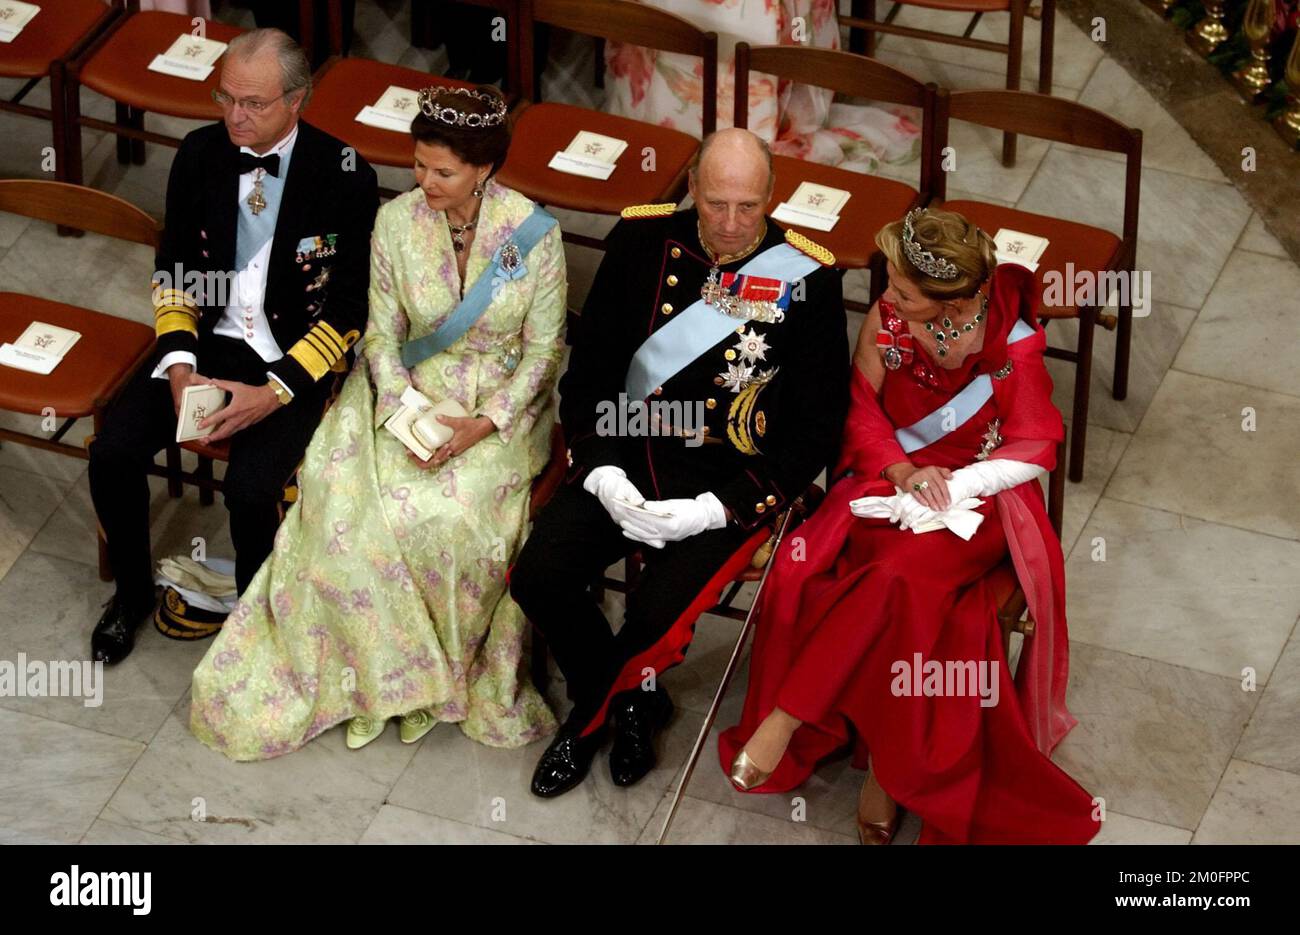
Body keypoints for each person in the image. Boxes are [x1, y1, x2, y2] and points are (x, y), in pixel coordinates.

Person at [190, 85, 565, 759]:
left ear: (484, 169)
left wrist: (483, 424)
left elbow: (544, 352)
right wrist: (401, 410)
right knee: (352, 515)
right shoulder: (395, 221)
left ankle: (436, 686)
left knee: (452, 522)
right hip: (407, 394)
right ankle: (367, 680)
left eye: (443, 171)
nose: (425, 182)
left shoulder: (535, 233)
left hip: (499, 408)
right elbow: (381, 336)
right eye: (418, 165)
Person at [718, 208, 1101, 844]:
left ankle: (789, 716)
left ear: (955, 301)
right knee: (872, 587)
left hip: (978, 503)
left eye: (904, 291)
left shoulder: (1013, 343)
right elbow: (861, 410)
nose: (888, 298)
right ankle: (884, 769)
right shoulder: (889, 319)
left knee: (894, 576)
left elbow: (1035, 447)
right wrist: (903, 471)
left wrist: (954, 488)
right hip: (888, 483)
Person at [509, 128, 849, 798]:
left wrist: (714, 510)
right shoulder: (641, 241)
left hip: (727, 484)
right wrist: (602, 470)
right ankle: (637, 702)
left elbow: (814, 432)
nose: (731, 223)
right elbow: (591, 374)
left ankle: (585, 724)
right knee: (539, 576)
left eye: (748, 206)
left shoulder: (809, 278)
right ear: (691, 187)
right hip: (628, 453)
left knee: (652, 622)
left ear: (772, 196)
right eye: (716, 203)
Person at [87, 29, 378, 665]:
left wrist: (274, 393)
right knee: (111, 452)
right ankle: (131, 594)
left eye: (254, 103)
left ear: (297, 100)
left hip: (290, 358)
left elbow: (349, 309)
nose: (235, 116)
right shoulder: (199, 153)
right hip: (206, 345)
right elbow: (175, 272)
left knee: (249, 492)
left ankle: (255, 621)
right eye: (226, 97)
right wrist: (179, 366)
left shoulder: (345, 173)